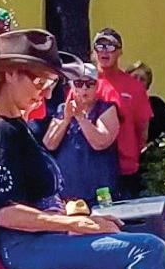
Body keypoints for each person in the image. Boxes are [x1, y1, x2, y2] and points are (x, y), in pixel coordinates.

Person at [0, 30, 165, 269]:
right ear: (11, 74)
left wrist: (79, 220)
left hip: (44, 239)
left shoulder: (15, 126)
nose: (47, 93)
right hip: (23, 247)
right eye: (40, 81)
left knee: (146, 235)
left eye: (51, 84)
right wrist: (74, 224)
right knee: (147, 251)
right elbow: (6, 215)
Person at [38, 63, 119, 202]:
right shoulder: (63, 109)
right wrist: (66, 119)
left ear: (97, 86)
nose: (84, 88)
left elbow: (100, 142)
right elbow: (49, 144)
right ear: (72, 86)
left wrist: (81, 118)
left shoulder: (106, 109)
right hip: (68, 194)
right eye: (79, 83)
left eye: (89, 84)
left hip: (99, 192)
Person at [90, 29, 155, 196]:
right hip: (89, 167)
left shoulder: (134, 87)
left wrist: (133, 153)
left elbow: (143, 128)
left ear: (119, 52)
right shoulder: (83, 83)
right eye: (100, 46)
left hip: (124, 169)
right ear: (93, 51)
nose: (105, 51)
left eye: (111, 46)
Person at [129, 62, 165, 142]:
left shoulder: (157, 104)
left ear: (147, 85)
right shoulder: (118, 104)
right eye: (134, 77)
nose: (137, 82)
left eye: (142, 79)